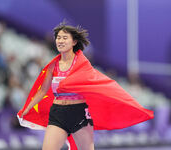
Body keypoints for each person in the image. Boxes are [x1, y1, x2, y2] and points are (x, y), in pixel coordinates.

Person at [18, 22, 154, 150]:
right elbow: (42, 91)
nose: (60, 41)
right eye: (58, 38)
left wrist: (67, 85)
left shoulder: (82, 65)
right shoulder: (52, 66)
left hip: (79, 114)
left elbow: (98, 85)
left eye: (64, 38)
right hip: (57, 113)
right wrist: (27, 108)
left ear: (74, 42)